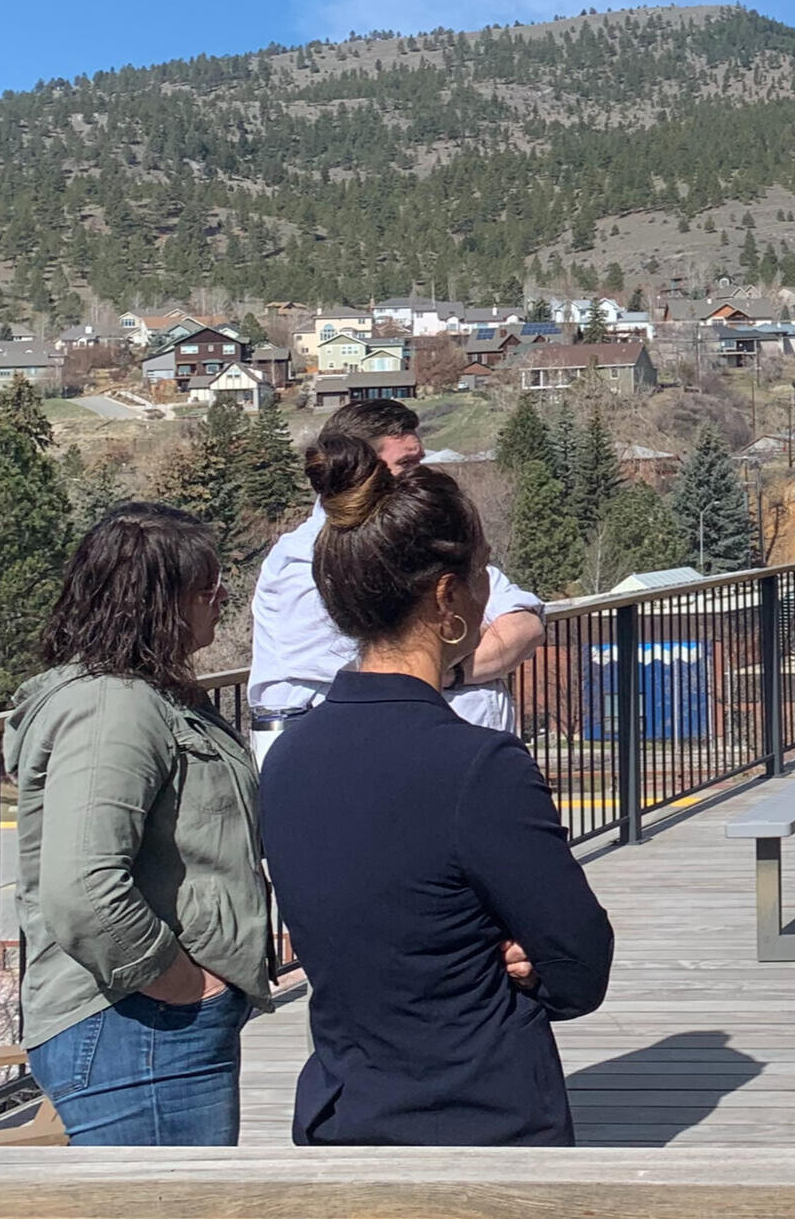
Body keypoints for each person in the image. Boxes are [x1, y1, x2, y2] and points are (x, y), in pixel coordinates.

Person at [259, 433, 613, 1146]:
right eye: (481, 576)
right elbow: (579, 965)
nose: (487, 596)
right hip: (485, 1121)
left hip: (344, 1115)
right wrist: (517, 959)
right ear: (448, 596)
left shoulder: (288, 756)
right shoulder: (479, 764)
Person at [3, 504, 273, 1145]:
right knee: (166, 1195)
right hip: (135, 1025)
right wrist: (185, 986)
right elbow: (83, 889)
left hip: (148, 1022)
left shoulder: (149, 695)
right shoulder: (112, 708)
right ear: (157, 603)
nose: (222, 598)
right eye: (207, 586)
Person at [249, 398, 544, 734]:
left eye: (420, 461)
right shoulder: (306, 559)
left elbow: (525, 623)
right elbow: (378, 666)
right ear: (357, 468)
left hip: (468, 746)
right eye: (406, 463)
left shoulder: (432, 535)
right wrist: (473, 644)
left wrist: (455, 671)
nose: (420, 473)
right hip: (373, 750)